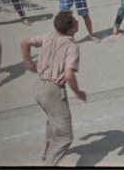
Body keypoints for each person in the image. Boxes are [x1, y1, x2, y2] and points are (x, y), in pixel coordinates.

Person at [19, 11, 86, 165]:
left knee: (52, 117)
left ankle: (45, 149)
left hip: (39, 88)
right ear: (69, 30)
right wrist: (78, 93)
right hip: (53, 92)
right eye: (75, 22)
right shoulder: (72, 47)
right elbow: (69, 75)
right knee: (65, 136)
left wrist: (30, 65)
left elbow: (24, 42)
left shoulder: (48, 36)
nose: (78, 22)